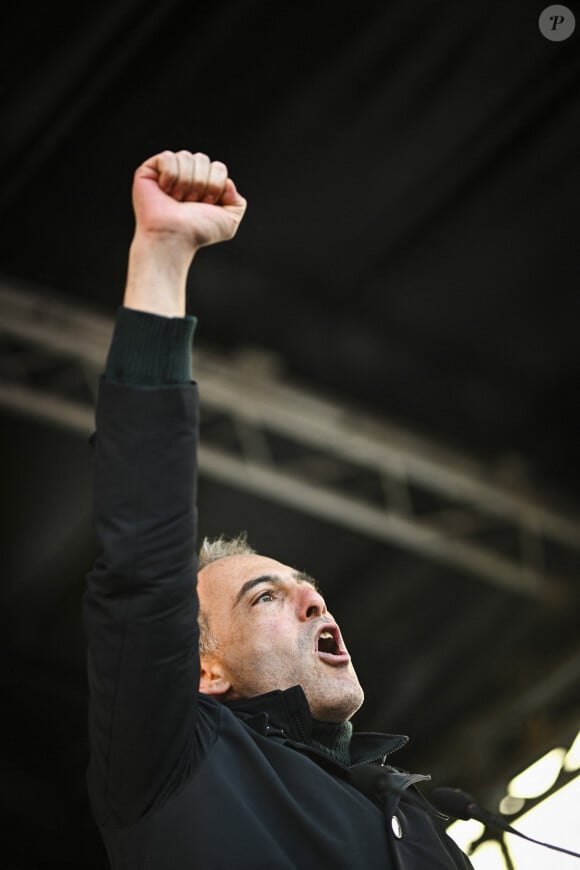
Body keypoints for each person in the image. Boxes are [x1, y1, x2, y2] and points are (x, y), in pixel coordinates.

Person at [84, 149, 474, 869]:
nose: (316, 604)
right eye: (268, 596)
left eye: (310, 590)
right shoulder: (176, 760)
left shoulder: (425, 828)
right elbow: (142, 542)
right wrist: (164, 253)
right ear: (204, 671)